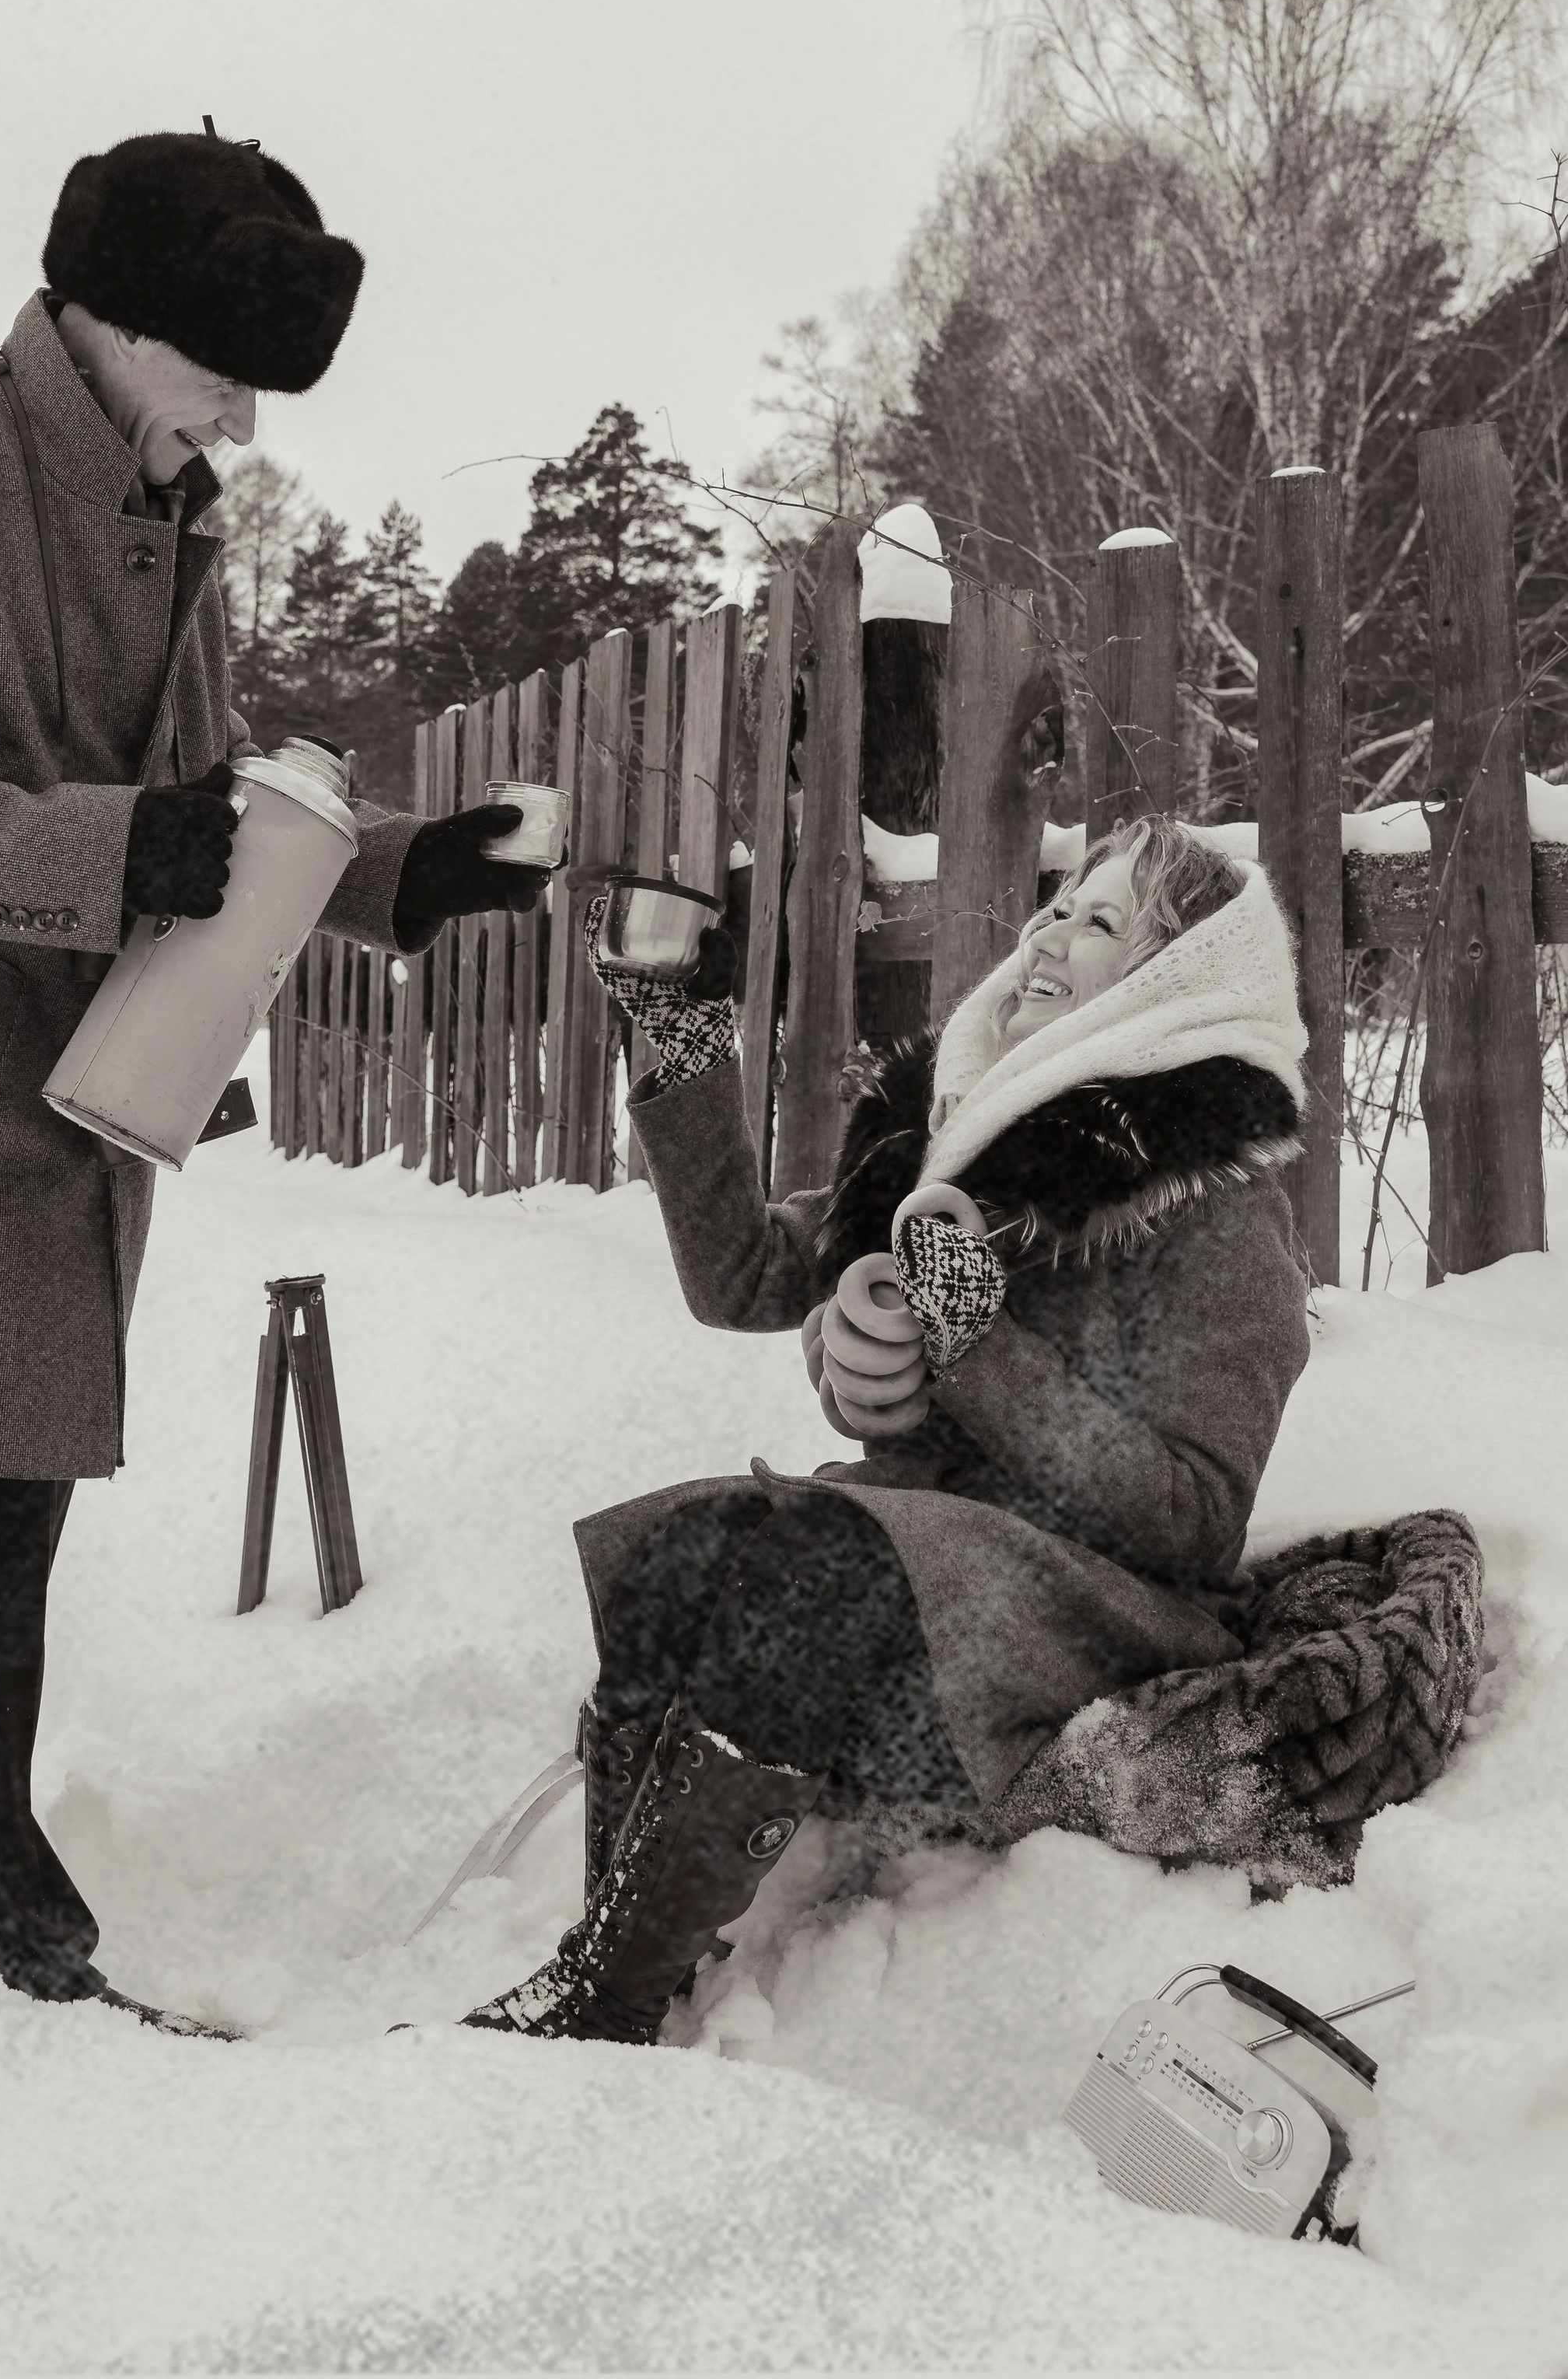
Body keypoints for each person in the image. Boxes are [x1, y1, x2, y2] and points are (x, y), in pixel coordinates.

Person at [0, 128, 536, 2025]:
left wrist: (396, 863)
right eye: (212, 378)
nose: (236, 427)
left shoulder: (157, 512)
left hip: (77, 1068)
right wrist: (103, 850)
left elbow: (212, 788)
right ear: (94, 323)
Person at [464, 816, 1312, 2042]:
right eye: (1057, 908)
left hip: (1072, 1614)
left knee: (797, 1556)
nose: (1050, 932)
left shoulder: (1216, 1211)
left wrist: (971, 1343)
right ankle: (608, 1970)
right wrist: (677, 1016)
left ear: (1180, 983)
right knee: (684, 1554)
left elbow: (1189, 1520)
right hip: (917, 1576)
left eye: (1103, 924)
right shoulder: (950, 1146)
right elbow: (741, 1274)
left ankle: (604, 2005)